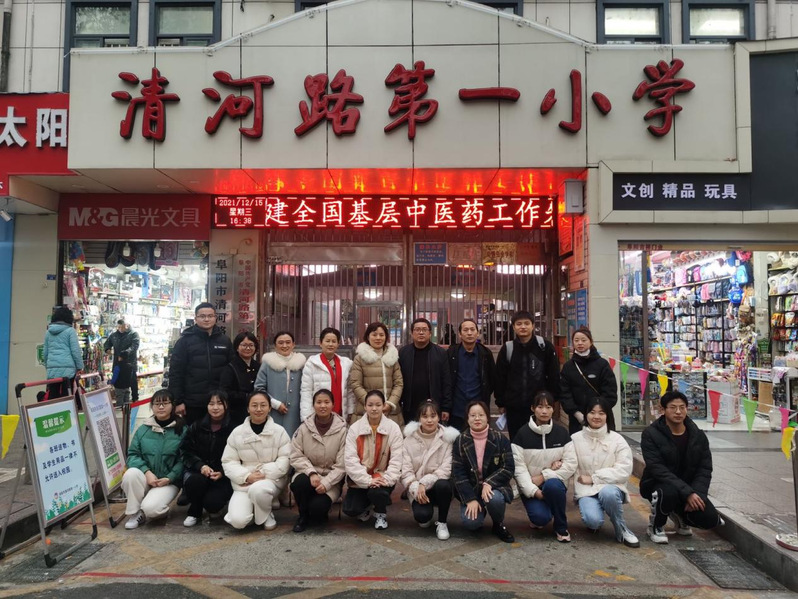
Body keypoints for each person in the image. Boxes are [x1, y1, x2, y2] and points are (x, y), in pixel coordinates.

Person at [555, 397, 640, 548]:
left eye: (601, 413)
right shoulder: (574, 439)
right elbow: (568, 461)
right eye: (592, 412)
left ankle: (622, 528)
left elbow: (624, 470)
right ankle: (597, 511)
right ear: (586, 414)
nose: (596, 416)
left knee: (608, 493)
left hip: (611, 488)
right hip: (586, 491)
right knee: (593, 522)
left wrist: (594, 478)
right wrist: (558, 463)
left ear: (607, 415)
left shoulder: (617, 439)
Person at [640, 391, 723, 544]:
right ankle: (656, 525)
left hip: (688, 486)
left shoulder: (698, 435)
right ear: (663, 410)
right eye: (673, 407)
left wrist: (698, 493)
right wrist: (687, 493)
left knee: (710, 519)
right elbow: (657, 469)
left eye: (682, 407)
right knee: (668, 493)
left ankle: (679, 515)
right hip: (659, 484)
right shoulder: (650, 434)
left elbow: (704, 468)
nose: (678, 412)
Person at [222, 391, 291, 531]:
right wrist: (247, 476)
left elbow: (285, 459)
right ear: (248, 408)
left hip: (271, 480)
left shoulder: (279, 431)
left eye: (263, 405)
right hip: (244, 482)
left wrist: (264, 473)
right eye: (254, 405)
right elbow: (228, 461)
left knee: (259, 490)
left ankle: (266, 514)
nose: (259, 409)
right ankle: (255, 512)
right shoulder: (237, 432)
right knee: (238, 521)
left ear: (269, 408)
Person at [512, 391, 572, 542]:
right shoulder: (522, 434)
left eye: (548, 407)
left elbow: (571, 464)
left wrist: (544, 476)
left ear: (553, 409)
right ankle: (545, 510)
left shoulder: (562, 433)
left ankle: (561, 527)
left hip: (554, 484)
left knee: (552, 486)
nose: (544, 411)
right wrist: (535, 491)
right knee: (540, 518)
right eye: (540, 407)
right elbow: (519, 469)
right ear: (533, 408)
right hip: (531, 486)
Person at [451, 400, 515, 543]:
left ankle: (498, 524)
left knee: (494, 499)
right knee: (471, 524)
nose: (477, 418)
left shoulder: (500, 439)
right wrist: (470, 499)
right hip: (472, 489)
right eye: (473, 415)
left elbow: (508, 467)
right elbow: (458, 474)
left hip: (494, 488)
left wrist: (489, 483)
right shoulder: (460, 441)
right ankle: (479, 509)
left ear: (487, 417)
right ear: (467, 418)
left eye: (481, 415)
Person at [121, 389, 185, 529]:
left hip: (168, 482)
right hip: (147, 478)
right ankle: (135, 513)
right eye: (157, 404)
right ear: (152, 406)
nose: (161, 407)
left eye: (165, 403)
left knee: (152, 510)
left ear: (172, 406)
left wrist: (170, 477)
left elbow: (184, 459)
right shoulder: (143, 429)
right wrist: (146, 472)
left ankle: (154, 508)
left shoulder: (182, 429)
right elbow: (132, 455)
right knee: (130, 474)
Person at [494, 310, 561, 440]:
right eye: (519, 324)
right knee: (517, 440)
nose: (523, 327)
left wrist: (552, 400)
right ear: (514, 327)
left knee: (540, 440)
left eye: (526, 323)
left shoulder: (544, 347)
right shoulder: (508, 348)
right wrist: (500, 403)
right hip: (514, 407)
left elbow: (554, 375)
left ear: (533, 325)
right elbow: (500, 378)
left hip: (539, 406)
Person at [343, 390, 403, 530]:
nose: (374, 408)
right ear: (365, 406)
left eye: (378, 405)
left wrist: (386, 479)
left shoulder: (393, 428)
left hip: (382, 477)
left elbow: (397, 460)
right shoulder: (355, 429)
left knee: (378, 493)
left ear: (383, 406)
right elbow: (350, 461)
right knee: (351, 509)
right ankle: (367, 505)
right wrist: (368, 480)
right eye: (370, 405)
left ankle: (380, 513)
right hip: (361, 478)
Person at [289, 389, 347, 532]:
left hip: (331, 479)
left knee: (317, 510)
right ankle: (302, 516)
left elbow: (342, 465)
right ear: (313, 405)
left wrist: (326, 483)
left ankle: (317, 511)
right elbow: (295, 455)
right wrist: (311, 472)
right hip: (308, 475)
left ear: (333, 404)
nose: (323, 406)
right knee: (300, 483)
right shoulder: (304, 427)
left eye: (327, 402)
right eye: (319, 402)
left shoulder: (343, 430)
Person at [401, 400, 459, 541]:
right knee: (422, 517)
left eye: (433, 416)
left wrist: (424, 483)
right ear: (419, 418)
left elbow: (446, 469)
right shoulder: (408, 440)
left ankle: (442, 523)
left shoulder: (448, 439)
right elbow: (405, 470)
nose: (429, 420)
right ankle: (425, 511)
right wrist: (416, 487)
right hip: (418, 488)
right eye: (425, 416)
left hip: (438, 485)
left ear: (439, 417)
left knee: (444, 485)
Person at [168, 303, 234, 425]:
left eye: (210, 316)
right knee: (193, 434)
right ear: (195, 318)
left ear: (215, 318)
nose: (206, 319)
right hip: (192, 403)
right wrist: (178, 401)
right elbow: (175, 373)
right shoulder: (184, 342)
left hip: (218, 402)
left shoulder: (224, 341)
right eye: (202, 316)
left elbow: (231, 371)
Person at [179, 390, 236, 526]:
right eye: (211, 404)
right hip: (199, 473)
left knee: (213, 504)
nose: (215, 407)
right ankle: (195, 510)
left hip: (223, 476)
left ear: (226, 405)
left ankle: (215, 504)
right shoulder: (197, 426)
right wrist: (200, 466)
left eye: (219, 403)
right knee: (194, 481)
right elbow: (185, 451)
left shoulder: (234, 428)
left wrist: (222, 472)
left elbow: (239, 456)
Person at [560, 326, 618, 435]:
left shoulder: (602, 364)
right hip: (577, 420)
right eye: (576, 340)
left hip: (601, 418)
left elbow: (610, 392)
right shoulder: (568, 366)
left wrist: (598, 412)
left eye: (583, 340)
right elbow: (564, 392)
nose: (580, 343)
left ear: (591, 342)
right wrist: (576, 413)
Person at [398, 318, 452, 424]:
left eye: (424, 329)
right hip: (410, 405)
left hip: (433, 405)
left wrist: (446, 407)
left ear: (430, 333)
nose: (421, 332)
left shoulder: (440, 353)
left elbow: (446, 381)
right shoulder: (403, 352)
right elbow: (398, 379)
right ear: (412, 333)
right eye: (417, 330)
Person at [349, 322, 404, 425]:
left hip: (390, 412)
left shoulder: (392, 357)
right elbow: (355, 384)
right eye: (374, 335)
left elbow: (398, 383)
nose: (378, 338)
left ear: (386, 337)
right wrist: (371, 404)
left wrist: (390, 403)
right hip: (365, 411)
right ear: (368, 337)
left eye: (381, 335)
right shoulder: (360, 358)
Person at [254, 331, 306, 438]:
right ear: (275, 345)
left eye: (288, 342)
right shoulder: (268, 363)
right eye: (281, 343)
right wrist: (275, 404)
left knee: (294, 440)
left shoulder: (301, 363)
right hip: (273, 412)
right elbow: (259, 388)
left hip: (295, 413)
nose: (284, 345)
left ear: (293, 344)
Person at [446, 318, 495, 431]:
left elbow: (492, 379)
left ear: (477, 333)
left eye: (472, 330)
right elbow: (446, 379)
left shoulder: (485, 354)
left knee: (479, 438)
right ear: (460, 334)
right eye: (465, 330)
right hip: (456, 408)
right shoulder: (451, 353)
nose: (469, 333)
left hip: (479, 409)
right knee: (455, 439)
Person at [300, 327, 354, 424]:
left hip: (341, 413)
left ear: (338, 344)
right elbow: (306, 391)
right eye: (327, 341)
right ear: (321, 343)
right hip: (319, 414)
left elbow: (349, 390)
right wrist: (306, 417)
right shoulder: (312, 363)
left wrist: (351, 411)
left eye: (334, 341)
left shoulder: (346, 363)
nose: (330, 344)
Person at [219, 331, 260, 425]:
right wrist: (246, 396)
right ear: (237, 347)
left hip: (256, 412)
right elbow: (225, 392)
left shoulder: (258, 366)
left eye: (251, 345)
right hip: (236, 414)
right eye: (244, 345)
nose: (248, 348)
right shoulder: (230, 368)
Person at [43, 306, 84, 401]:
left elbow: (45, 352)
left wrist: (48, 366)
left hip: (52, 368)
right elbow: (75, 351)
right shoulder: (70, 331)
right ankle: (67, 410)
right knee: (67, 395)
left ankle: (53, 410)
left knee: (53, 395)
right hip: (68, 369)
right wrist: (79, 366)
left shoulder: (48, 332)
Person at [103, 318, 140, 406]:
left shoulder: (133, 334)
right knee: (118, 383)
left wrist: (125, 353)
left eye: (122, 327)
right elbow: (107, 343)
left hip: (130, 363)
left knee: (132, 381)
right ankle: (120, 401)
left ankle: (135, 399)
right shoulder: (114, 335)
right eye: (118, 327)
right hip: (118, 363)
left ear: (126, 326)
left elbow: (134, 346)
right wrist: (107, 349)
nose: (120, 329)